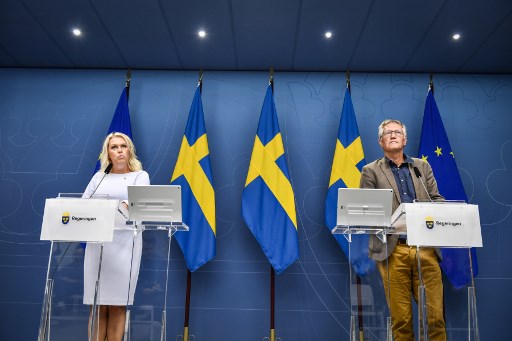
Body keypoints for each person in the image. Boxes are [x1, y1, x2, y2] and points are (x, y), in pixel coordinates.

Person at [360, 119, 446, 341]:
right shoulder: (370, 171)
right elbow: (366, 210)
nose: (393, 135)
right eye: (388, 133)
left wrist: (437, 211)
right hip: (392, 250)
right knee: (402, 321)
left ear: (405, 139)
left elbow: (436, 200)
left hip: (425, 248)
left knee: (435, 318)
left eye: (397, 132)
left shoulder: (422, 167)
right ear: (381, 141)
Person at [82, 132, 149, 341]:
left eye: (123, 146)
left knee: (118, 304)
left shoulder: (140, 176)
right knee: (98, 304)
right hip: (98, 244)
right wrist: (116, 206)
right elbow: (83, 207)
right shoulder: (99, 178)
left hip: (126, 244)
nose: (119, 151)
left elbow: (137, 207)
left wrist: (109, 208)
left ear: (129, 150)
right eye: (114, 147)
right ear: (108, 153)